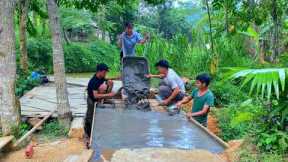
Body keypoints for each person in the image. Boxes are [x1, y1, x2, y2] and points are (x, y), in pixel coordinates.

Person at [84, 63, 116, 142]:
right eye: (105, 72)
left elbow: (107, 79)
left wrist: (117, 78)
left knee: (110, 82)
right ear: (99, 71)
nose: (106, 74)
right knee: (90, 118)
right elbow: (95, 96)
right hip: (92, 99)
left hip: (98, 97)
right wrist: (110, 94)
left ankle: (103, 101)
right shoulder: (93, 81)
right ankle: (88, 135)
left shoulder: (101, 77)